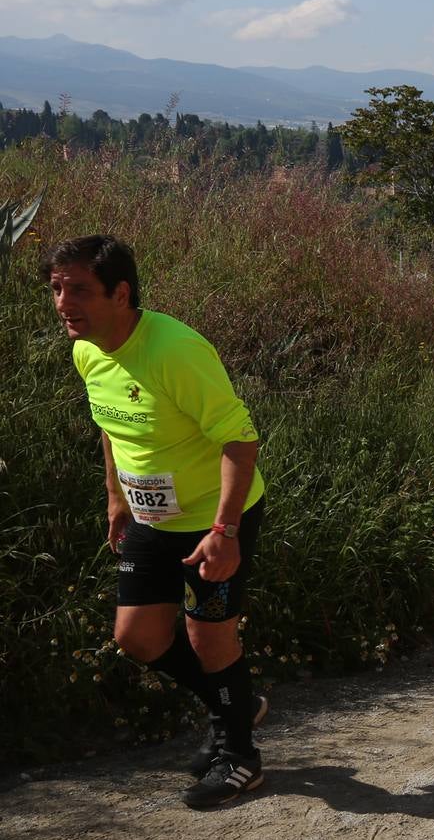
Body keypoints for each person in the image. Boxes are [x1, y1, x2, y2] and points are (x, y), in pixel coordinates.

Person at [42, 235, 269, 809]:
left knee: (208, 636)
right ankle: (237, 705)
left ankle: (240, 756)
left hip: (213, 516)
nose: (64, 303)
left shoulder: (174, 350)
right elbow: (112, 425)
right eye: (56, 290)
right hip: (149, 516)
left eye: (79, 291)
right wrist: (115, 497)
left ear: (121, 293)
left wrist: (224, 532)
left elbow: (240, 441)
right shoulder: (87, 347)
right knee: (137, 637)